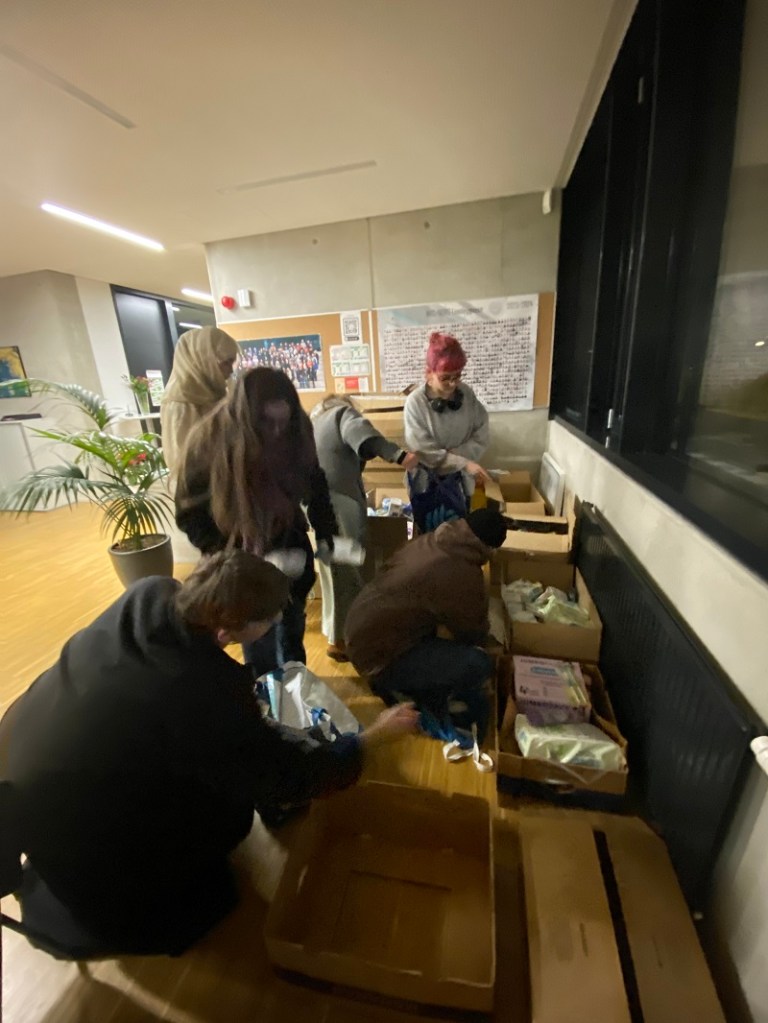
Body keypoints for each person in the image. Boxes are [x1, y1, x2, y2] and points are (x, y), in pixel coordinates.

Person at [0, 551, 418, 957]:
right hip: (89, 846)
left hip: (25, 771)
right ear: (226, 632)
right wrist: (371, 739)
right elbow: (283, 777)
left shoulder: (149, 594)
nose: (276, 624)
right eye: (270, 621)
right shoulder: (201, 689)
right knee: (230, 813)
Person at [175, 366, 338, 676]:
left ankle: (296, 683)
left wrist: (327, 533)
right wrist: (228, 557)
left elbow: (315, 485)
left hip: (285, 539)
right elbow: (189, 514)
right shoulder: (208, 440)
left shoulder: (297, 430)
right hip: (237, 549)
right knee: (257, 639)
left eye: (282, 422)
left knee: (292, 626)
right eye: (267, 423)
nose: (276, 432)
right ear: (246, 418)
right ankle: (264, 689)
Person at [345, 509, 508, 746]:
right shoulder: (464, 571)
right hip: (378, 659)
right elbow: (472, 633)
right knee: (479, 663)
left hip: (359, 633)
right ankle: (395, 684)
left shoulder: (429, 541)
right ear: (489, 548)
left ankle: (399, 679)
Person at [311, 394, 420, 661]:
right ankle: (351, 638)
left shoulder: (313, 423)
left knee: (331, 570)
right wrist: (400, 455)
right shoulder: (341, 415)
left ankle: (336, 636)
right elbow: (362, 434)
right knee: (352, 568)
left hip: (314, 503)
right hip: (340, 500)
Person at [403, 332, 491, 528]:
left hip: (461, 482)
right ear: (428, 373)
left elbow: (482, 431)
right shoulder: (415, 403)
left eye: (457, 376)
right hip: (426, 484)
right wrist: (462, 463)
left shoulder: (466, 394)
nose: (453, 384)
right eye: (445, 378)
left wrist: (459, 455)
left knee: (460, 532)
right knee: (431, 536)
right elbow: (422, 449)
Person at [160, 326, 240, 473]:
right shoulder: (181, 400)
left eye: (232, 362)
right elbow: (182, 460)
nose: (230, 370)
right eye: (225, 362)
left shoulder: (213, 391)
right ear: (204, 359)